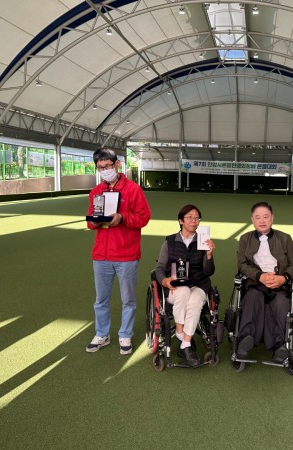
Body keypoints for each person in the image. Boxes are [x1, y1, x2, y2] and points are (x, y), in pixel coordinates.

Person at [85, 147, 151, 355]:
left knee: (128, 300)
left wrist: (123, 218)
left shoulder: (133, 190)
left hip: (126, 255)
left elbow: (144, 217)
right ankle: (102, 334)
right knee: (101, 300)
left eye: (108, 166)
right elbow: (90, 222)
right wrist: (96, 221)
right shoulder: (96, 192)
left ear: (117, 165)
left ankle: (125, 335)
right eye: (100, 167)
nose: (105, 170)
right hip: (101, 255)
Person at [236, 202, 293, 363]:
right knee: (252, 297)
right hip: (255, 283)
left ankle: (280, 345)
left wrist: (283, 278)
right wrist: (260, 276)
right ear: (252, 220)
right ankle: (245, 339)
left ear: (272, 218)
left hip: (279, 283)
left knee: (281, 302)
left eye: (265, 217)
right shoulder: (245, 239)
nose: (262, 220)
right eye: (257, 217)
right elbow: (242, 265)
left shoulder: (285, 238)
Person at [155, 205, 216, 366]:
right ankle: (181, 332)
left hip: (198, 284)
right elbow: (160, 268)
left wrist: (209, 256)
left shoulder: (203, 240)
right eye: (189, 217)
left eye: (196, 218)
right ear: (181, 221)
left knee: (195, 301)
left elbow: (209, 272)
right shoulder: (170, 242)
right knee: (183, 291)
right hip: (176, 286)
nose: (193, 220)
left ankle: (185, 343)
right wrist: (164, 281)